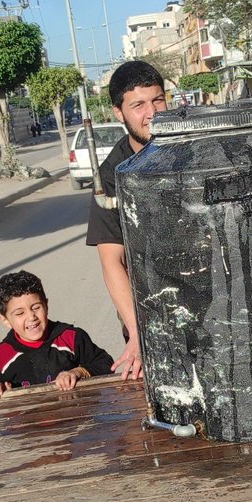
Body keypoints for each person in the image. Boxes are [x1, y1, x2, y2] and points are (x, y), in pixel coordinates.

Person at [86, 60, 167, 381]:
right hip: (149, 312)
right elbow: (111, 261)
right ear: (119, 112)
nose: (152, 113)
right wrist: (138, 333)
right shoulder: (111, 175)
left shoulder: (195, 146)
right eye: (138, 105)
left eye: (158, 99)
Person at [0, 269, 114, 400]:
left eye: (36, 307)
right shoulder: (0, 356)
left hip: (77, 414)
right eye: (19, 313)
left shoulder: (71, 338)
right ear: (5, 320)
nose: (31, 317)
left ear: (46, 305)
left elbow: (106, 364)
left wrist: (78, 372)